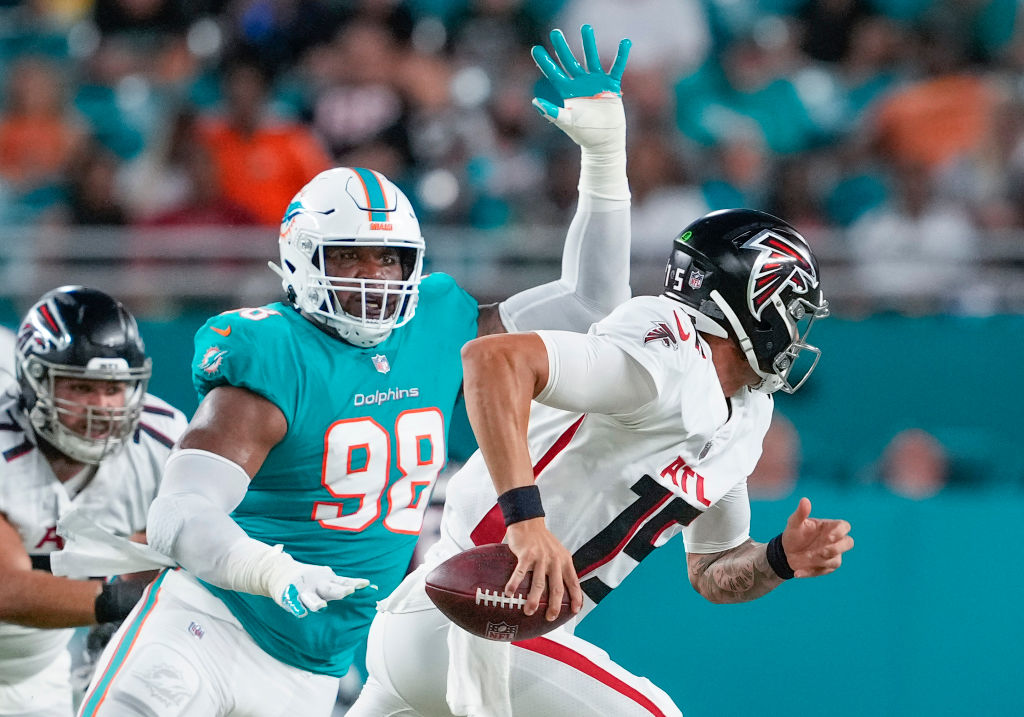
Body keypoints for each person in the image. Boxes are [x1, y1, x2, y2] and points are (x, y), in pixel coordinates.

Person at [76, 24, 633, 717]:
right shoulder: (271, 353)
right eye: (347, 257)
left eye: (387, 259)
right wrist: (270, 570)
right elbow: (177, 514)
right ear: (302, 259)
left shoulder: (439, 323)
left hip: (313, 672)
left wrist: (605, 158)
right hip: (209, 627)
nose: (372, 277)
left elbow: (593, 304)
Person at [347, 208, 854, 717]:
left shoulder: (745, 414)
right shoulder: (668, 355)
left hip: (476, 632)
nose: (798, 328)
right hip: (471, 617)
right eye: (792, 307)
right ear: (753, 303)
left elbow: (711, 568)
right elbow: (491, 360)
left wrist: (778, 560)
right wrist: (526, 522)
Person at [0, 286, 187, 717]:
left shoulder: (161, 440)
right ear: (32, 382)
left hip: (37, 674)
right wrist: (120, 602)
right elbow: (7, 590)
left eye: (114, 388)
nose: (101, 408)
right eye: (81, 387)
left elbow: (186, 545)